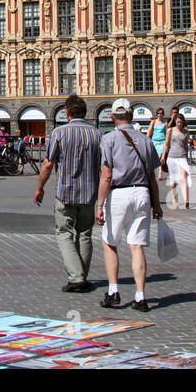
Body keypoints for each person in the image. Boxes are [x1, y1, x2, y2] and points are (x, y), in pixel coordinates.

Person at [95, 98, 162, 312]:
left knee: (110, 242)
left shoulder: (109, 139)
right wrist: (157, 204)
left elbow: (106, 176)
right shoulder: (145, 140)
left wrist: (99, 205)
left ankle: (113, 292)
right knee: (136, 246)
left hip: (118, 193)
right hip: (142, 193)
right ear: (132, 116)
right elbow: (152, 176)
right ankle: (140, 297)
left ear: (113, 117)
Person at [34, 94, 101, 293]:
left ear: (67, 112)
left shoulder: (59, 133)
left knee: (64, 233)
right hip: (89, 193)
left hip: (65, 191)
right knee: (85, 233)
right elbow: (103, 165)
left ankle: (76, 277)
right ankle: (81, 275)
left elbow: (48, 164)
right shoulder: (97, 134)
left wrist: (40, 188)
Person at [160, 113, 193, 208]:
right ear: (175, 122)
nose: (179, 124)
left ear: (183, 122)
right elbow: (166, 144)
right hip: (172, 157)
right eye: (178, 122)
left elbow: (186, 146)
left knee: (183, 177)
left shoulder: (186, 132)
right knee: (174, 180)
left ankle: (186, 200)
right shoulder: (170, 130)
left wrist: (187, 158)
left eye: (181, 122)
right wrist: (163, 157)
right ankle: (174, 199)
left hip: (182, 156)